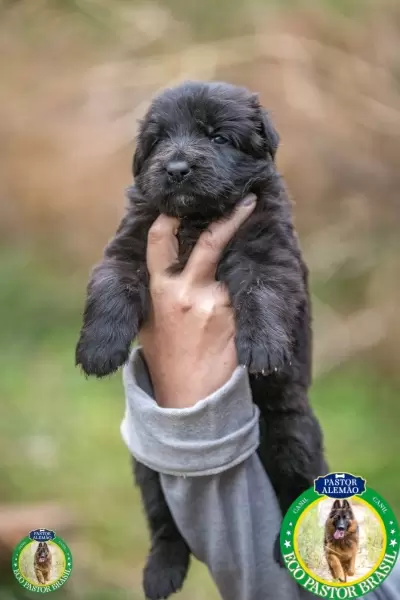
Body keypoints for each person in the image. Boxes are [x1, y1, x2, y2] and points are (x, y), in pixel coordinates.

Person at [120, 194, 400, 600]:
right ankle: (167, 540)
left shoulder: (266, 219)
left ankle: (295, 519)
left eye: (218, 138)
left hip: (276, 400)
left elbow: (274, 275)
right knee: (147, 462)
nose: (181, 158)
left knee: (294, 457)